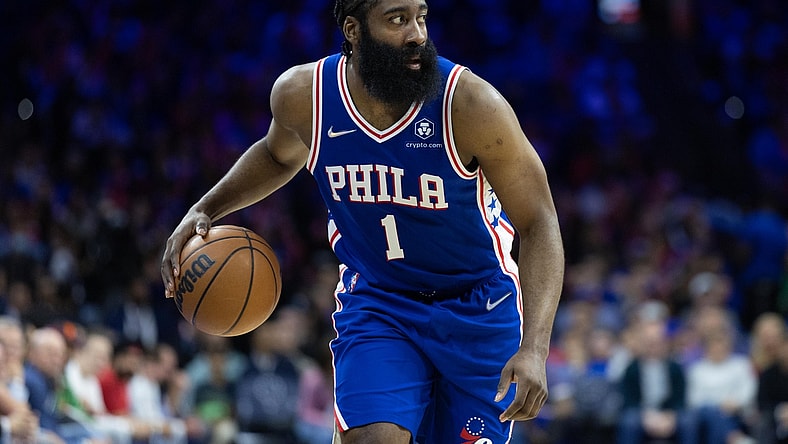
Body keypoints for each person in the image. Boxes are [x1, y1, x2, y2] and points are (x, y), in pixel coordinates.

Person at [160, 1, 565, 443]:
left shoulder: (469, 104)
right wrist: (206, 209)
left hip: (476, 307)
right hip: (380, 301)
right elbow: (278, 155)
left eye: (421, 17)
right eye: (397, 19)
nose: (417, 34)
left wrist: (535, 347)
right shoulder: (306, 96)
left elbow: (539, 221)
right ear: (353, 29)